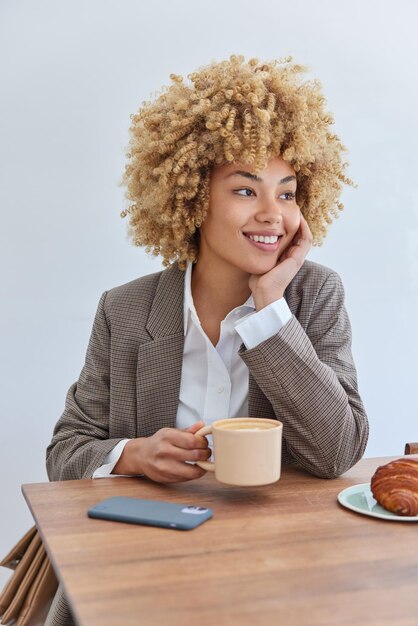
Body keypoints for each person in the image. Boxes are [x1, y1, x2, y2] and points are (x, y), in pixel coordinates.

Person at [45, 53, 368, 626]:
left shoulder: (314, 296)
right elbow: (67, 451)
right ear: (193, 198)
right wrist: (131, 455)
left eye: (288, 193)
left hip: (281, 572)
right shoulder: (127, 310)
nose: (273, 215)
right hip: (142, 571)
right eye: (247, 191)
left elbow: (338, 452)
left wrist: (271, 310)